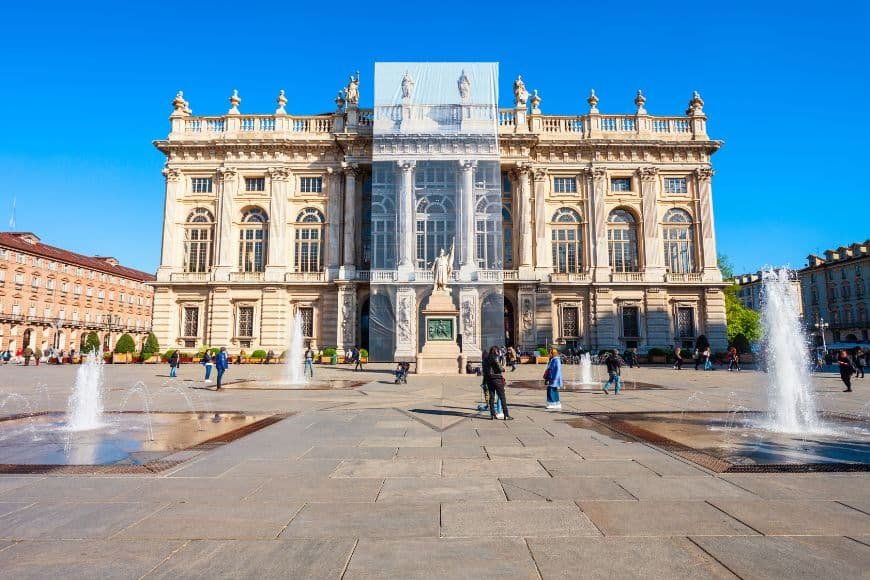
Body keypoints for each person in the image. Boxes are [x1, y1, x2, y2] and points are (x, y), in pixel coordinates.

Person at [484, 345, 512, 420]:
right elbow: (499, 368)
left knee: (492, 396)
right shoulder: (495, 357)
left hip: (489, 379)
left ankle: (492, 414)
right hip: (496, 378)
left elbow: (485, 370)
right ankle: (506, 414)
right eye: (497, 351)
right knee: (502, 396)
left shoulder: (486, 358)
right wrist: (503, 369)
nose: (498, 352)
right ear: (496, 351)